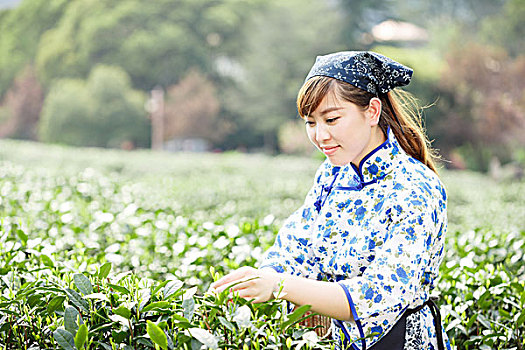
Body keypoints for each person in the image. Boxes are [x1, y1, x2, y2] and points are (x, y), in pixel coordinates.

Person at [211, 51, 451, 350]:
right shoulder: (332, 175)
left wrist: (280, 287)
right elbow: (297, 244)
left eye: (332, 119)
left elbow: (376, 295)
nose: (320, 135)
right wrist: (263, 276)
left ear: (372, 111)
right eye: (311, 122)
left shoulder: (415, 187)